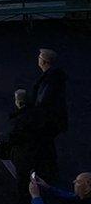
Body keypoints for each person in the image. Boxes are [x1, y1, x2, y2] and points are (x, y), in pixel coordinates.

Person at [4, 89, 55, 204]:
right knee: (39, 180)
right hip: (42, 156)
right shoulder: (40, 115)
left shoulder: (19, 120)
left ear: (18, 102)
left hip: (25, 159)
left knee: (24, 187)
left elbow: (12, 138)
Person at [31, 48, 67, 177]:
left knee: (43, 141)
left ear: (44, 62)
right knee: (47, 142)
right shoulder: (55, 76)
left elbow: (43, 100)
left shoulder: (49, 80)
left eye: (40, 58)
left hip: (49, 119)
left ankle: (48, 169)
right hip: (55, 118)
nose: (38, 60)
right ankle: (50, 167)